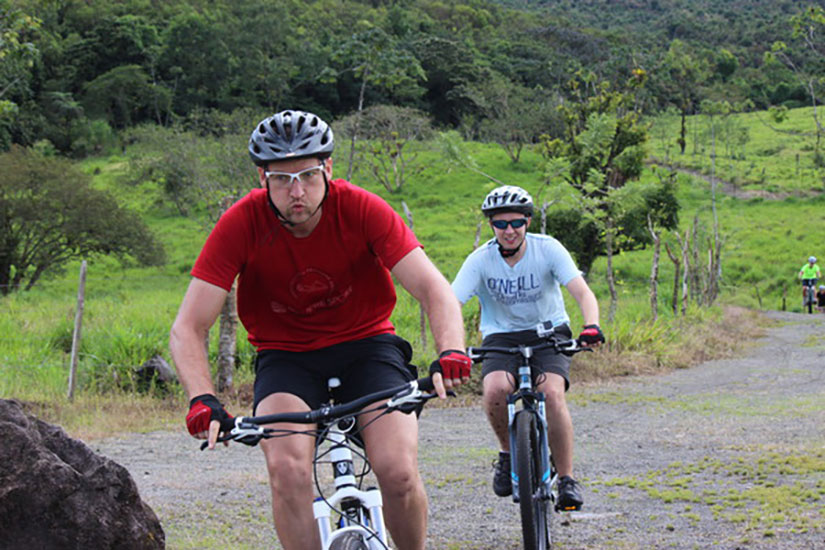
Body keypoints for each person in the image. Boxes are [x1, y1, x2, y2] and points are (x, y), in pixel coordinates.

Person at [169, 109, 472, 550]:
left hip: (368, 346)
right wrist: (202, 399)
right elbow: (188, 326)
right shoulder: (241, 223)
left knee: (398, 471)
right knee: (287, 472)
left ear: (328, 168)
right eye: (281, 179)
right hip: (286, 358)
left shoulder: (362, 207)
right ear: (262, 178)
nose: (297, 191)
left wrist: (451, 350)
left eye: (308, 175)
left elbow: (433, 289)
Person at [450, 185, 604, 511]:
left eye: (516, 222)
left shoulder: (547, 249)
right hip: (501, 337)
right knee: (494, 390)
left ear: (528, 222)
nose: (509, 231)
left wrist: (591, 325)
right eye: (501, 224)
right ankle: (507, 454)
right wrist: (452, 347)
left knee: (551, 394)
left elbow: (582, 292)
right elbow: (450, 303)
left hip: (548, 333)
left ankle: (566, 478)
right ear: (491, 225)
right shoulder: (480, 260)